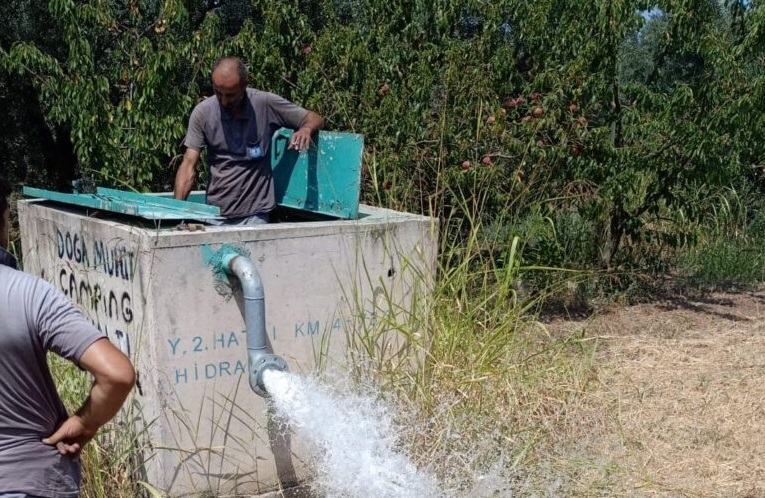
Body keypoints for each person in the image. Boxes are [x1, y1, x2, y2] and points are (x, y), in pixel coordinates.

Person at [0, 176, 136, 497]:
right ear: (3, 221)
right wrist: (86, 424)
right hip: (32, 480)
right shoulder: (29, 293)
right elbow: (117, 374)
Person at [174, 56, 325, 225]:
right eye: (218, 92)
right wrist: (176, 214)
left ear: (244, 86)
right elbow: (188, 165)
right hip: (215, 214)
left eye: (230, 95)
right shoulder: (203, 113)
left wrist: (305, 129)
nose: (224, 101)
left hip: (255, 215)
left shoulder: (265, 104)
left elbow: (314, 117)